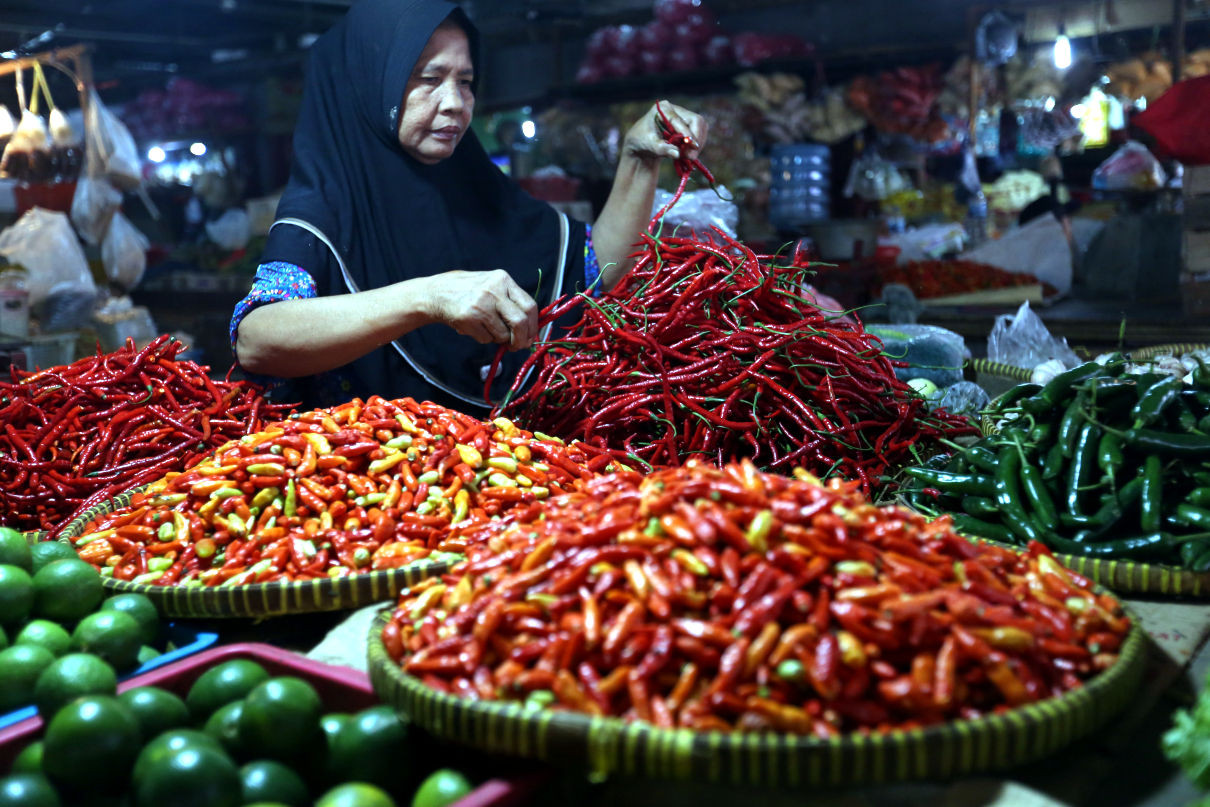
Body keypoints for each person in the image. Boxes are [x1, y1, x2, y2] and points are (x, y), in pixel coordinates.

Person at [231, 0, 707, 410]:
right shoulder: (323, 211)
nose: (456, 103)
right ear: (371, 84)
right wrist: (427, 298)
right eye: (429, 79)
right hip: (366, 470)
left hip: (490, 468)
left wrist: (638, 159)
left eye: (465, 80)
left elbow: (594, 274)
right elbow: (257, 339)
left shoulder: (477, 189)